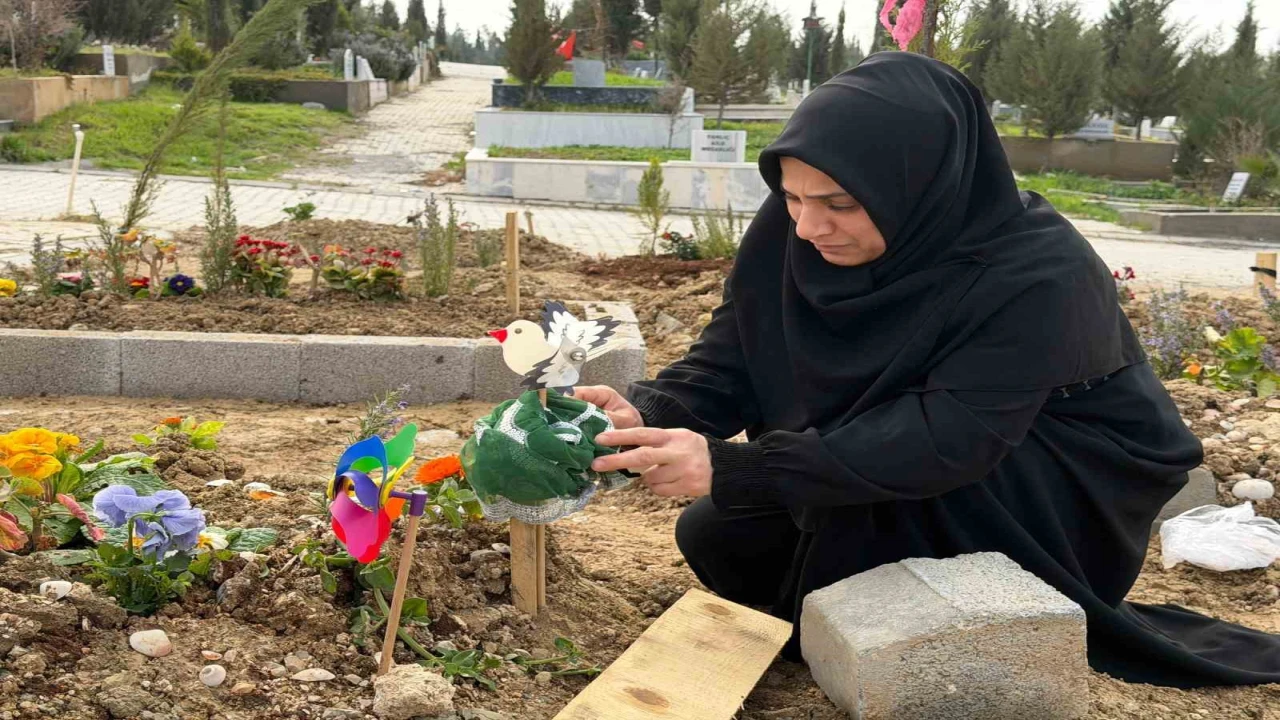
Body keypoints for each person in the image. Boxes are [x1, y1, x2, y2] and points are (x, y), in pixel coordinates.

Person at [575, 52, 1280, 688]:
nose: (809, 228)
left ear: (918, 186)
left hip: (1044, 472)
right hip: (896, 441)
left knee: (865, 527)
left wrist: (737, 467)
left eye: (840, 204)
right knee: (720, 535)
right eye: (791, 198)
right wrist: (650, 414)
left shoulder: (1040, 273)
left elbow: (949, 436)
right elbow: (734, 355)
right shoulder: (792, 230)